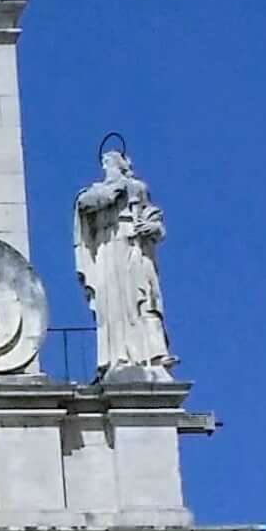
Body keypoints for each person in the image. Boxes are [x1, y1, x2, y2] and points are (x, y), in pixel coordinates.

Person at [72, 139, 175, 376]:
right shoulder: (96, 191)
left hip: (133, 247)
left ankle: (150, 355)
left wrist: (152, 228)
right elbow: (84, 204)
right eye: (105, 162)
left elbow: (155, 219)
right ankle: (116, 355)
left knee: (142, 298)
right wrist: (112, 192)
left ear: (121, 165)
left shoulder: (137, 188)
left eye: (111, 162)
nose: (107, 166)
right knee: (112, 303)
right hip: (108, 249)